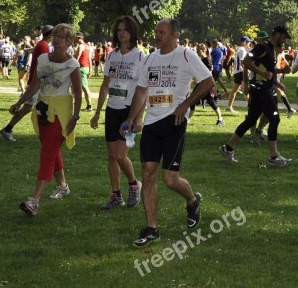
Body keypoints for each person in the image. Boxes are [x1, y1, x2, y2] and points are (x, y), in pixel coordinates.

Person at [122, 19, 212, 247]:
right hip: (152, 123)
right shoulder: (151, 57)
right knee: (148, 173)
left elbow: (208, 81)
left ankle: (192, 200)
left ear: (175, 34)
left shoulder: (186, 55)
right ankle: (152, 227)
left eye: (161, 32)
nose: (157, 35)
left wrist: (186, 104)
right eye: (156, 32)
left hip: (175, 121)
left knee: (170, 179)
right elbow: (142, 90)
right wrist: (132, 118)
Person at [10, 23, 82, 216]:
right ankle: (63, 185)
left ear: (69, 42)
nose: (56, 38)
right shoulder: (42, 59)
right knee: (50, 148)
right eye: (55, 35)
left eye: (61, 36)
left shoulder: (72, 65)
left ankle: (34, 200)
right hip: (42, 110)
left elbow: (77, 92)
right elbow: (34, 85)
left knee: (47, 153)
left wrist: (75, 116)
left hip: (61, 112)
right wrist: (19, 103)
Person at [219, 26, 293, 167]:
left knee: (251, 120)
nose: (284, 41)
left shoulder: (270, 50)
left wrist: (280, 74)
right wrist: (259, 76)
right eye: (283, 37)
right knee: (275, 118)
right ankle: (273, 157)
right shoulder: (263, 47)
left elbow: (268, 71)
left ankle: (227, 148)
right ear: (276, 34)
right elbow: (246, 61)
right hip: (260, 89)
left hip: (262, 88)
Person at [91, 16, 145, 210]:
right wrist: (97, 112)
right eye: (119, 29)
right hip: (112, 109)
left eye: (126, 29)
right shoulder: (112, 55)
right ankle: (115, 195)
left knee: (122, 155)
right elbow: (105, 85)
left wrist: (138, 117)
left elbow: (143, 89)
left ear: (132, 33)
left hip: (129, 111)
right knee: (112, 156)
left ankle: (133, 184)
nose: (122, 33)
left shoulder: (140, 57)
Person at [0, 26, 53, 141]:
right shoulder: (44, 46)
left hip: (38, 81)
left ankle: (47, 132)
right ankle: (7, 129)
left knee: (41, 107)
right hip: (37, 81)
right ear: (51, 35)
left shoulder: (41, 44)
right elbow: (45, 64)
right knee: (28, 107)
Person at [189, 43, 225, 125]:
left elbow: (208, 73)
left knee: (210, 101)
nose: (197, 52)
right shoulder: (203, 59)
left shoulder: (206, 60)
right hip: (203, 83)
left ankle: (220, 119)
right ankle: (188, 119)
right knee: (193, 100)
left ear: (203, 50)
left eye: (198, 50)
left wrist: (198, 80)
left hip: (207, 84)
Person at [226, 36, 252, 112]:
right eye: (248, 42)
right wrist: (247, 71)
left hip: (238, 72)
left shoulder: (240, 49)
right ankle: (252, 106)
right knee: (245, 90)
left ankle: (229, 107)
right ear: (244, 42)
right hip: (241, 72)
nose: (249, 44)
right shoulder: (242, 50)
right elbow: (242, 62)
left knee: (235, 90)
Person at [75, 32, 93, 111]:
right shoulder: (87, 46)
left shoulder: (81, 46)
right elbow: (89, 58)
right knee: (78, 87)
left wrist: (73, 66)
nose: (74, 39)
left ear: (79, 38)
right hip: (85, 67)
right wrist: (90, 69)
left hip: (81, 68)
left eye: (75, 38)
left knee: (85, 87)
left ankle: (89, 106)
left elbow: (77, 57)